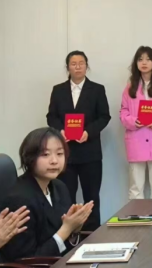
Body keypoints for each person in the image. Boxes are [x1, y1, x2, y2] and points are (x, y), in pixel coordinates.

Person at [0, 128, 93, 262]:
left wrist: (75, 228)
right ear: (29, 158)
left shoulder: (59, 187)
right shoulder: (19, 200)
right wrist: (66, 229)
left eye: (60, 153)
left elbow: (65, 246)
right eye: (45, 154)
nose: (54, 161)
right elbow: (26, 261)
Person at [46, 51, 110, 230]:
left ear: (86, 66)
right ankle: (68, 233)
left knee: (92, 196)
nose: (77, 67)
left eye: (81, 63)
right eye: (73, 64)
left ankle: (92, 232)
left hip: (90, 152)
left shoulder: (97, 89)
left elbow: (104, 116)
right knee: (66, 197)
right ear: (67, 67)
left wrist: (88, 132)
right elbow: (51, 116)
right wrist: (61, 131)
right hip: (66, 153)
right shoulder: (58, 90)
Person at [119, 46, 152, 199]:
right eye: (140, 59)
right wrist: (133, 121)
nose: (144, 63)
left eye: (148, 59)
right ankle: (137, 215)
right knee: (135, 188)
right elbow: (123, 111)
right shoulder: (130, 86)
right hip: (136, 139)